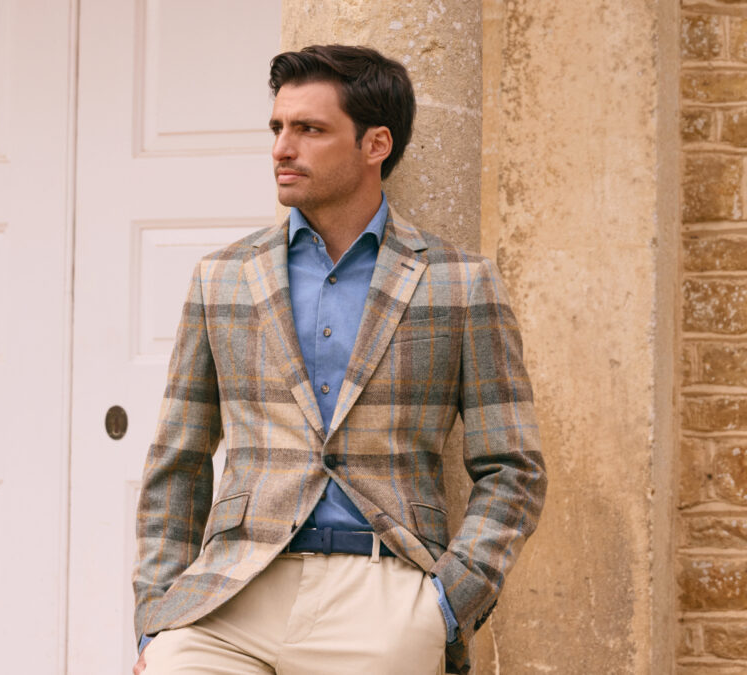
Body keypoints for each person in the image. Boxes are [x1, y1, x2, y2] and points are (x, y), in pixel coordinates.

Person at [131, 45, 547, 674]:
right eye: (278, 127)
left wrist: (446, 602)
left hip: (383, 594)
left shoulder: (460, 283)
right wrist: (156, 616)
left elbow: (513, 466)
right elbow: (178, 458)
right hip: (230, 592)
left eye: (309, 129)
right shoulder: (223, 277)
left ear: (375, 144)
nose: (282, 148)